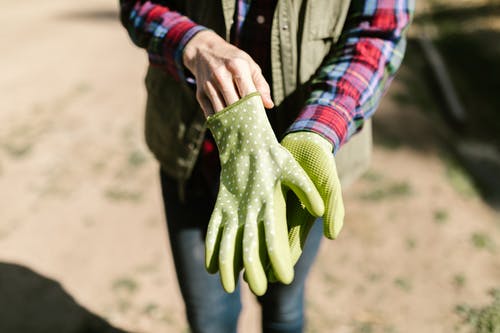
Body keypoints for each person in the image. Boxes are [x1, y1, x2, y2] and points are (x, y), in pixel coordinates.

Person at [119, 0, 413, 332]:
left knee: (283, 307)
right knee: (208, 317)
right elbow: (138, 5)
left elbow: (379, 30)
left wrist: (318, 130)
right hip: (194, 154)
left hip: (299, 172)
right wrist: (194, 43)